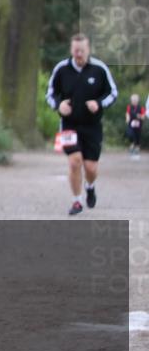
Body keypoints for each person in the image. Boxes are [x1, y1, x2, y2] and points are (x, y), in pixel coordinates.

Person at [45, 33, 118, 215]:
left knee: (91, 167)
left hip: (92, 126)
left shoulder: (99, 69)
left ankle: (90, 186)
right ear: (71, 50)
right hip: (69, 124)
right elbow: (50, 94)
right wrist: (58, 105)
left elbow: (113, 93)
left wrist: (99, 104)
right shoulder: (61, 69)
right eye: (76, 50)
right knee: (74, 162)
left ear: (88, 50)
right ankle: (77, 201)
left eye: (82, 51)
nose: (79, 54)